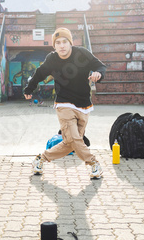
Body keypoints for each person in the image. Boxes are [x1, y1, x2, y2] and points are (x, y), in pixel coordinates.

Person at [24, 27, 107, 179]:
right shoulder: (52, 59)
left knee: (71, 143)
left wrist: (98, 73)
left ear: (70, 43)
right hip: (64, 104)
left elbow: (100, 66)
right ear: (54, 46)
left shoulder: (82, 54)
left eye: (64, 42)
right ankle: (94, 164)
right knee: (75, 140)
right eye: (58, 43)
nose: (61, 45)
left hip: (84, 104)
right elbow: (39, 74)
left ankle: (40, 160)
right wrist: (29, 89)